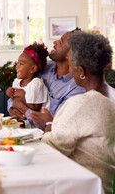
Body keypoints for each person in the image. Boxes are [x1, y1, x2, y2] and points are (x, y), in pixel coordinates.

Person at [42, 31, 115, 194]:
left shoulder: (83, 103)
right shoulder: (111, 94)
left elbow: (50, 148)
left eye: (71, 63)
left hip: (82, 187)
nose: (69, 67)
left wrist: (48, 125)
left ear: (81, 70)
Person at [8, 29, 85, 128]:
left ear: (70, 54)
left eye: (60, 42)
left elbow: (58, 123)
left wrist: (24, 109)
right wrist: (11, 108)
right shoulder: (41, 67)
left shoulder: (77, 88)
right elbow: (15, 94)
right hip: (23, 131)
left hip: (47, 138)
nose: (54, 42)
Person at [6, 43, 49, 120]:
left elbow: (35, 109)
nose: (17, 66)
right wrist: (10, 92)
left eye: (21, 63)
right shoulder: (17, 82)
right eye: (17, 62)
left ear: (33, 69)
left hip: (33, 124)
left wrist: (22, 95)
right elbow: (13, 101)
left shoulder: (36, 84)